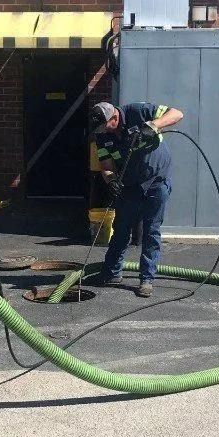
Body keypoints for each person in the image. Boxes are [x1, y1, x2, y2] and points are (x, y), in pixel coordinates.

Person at [89, 99, 184, 297]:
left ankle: (146, 279)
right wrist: (112, 180)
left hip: (156, 181)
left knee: (151, 230)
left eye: (105, 126)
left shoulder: (138, 111)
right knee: (121, 228)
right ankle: (112, 272)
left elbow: (177, 113)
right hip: (129, 185)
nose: (103, 131)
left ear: (114, 117)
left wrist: (153, 126)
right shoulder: (102, 135)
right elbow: (106, 167)